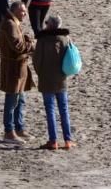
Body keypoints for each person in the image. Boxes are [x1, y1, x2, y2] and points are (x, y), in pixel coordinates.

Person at [33, 14, 75, 150]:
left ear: (50, 25)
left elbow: (36, 60)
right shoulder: (65, 39)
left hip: (46, 79)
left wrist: (41, 73)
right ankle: (68, 140)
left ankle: (53, 141)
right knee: (64, 109)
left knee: (50, 110)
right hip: (61, 79)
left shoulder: (42, 39)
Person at [0, 1, 35, 143]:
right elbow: (18, 46)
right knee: (12, 100)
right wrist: (31, 44)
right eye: (22, 11)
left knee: (20, 100)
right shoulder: (9, 24)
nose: (25, 14)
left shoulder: (14, 23)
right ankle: (9, 131)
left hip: (19, 67)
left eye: (25, 11)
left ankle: (19, 128)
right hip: (13, 68)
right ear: (14, 11)